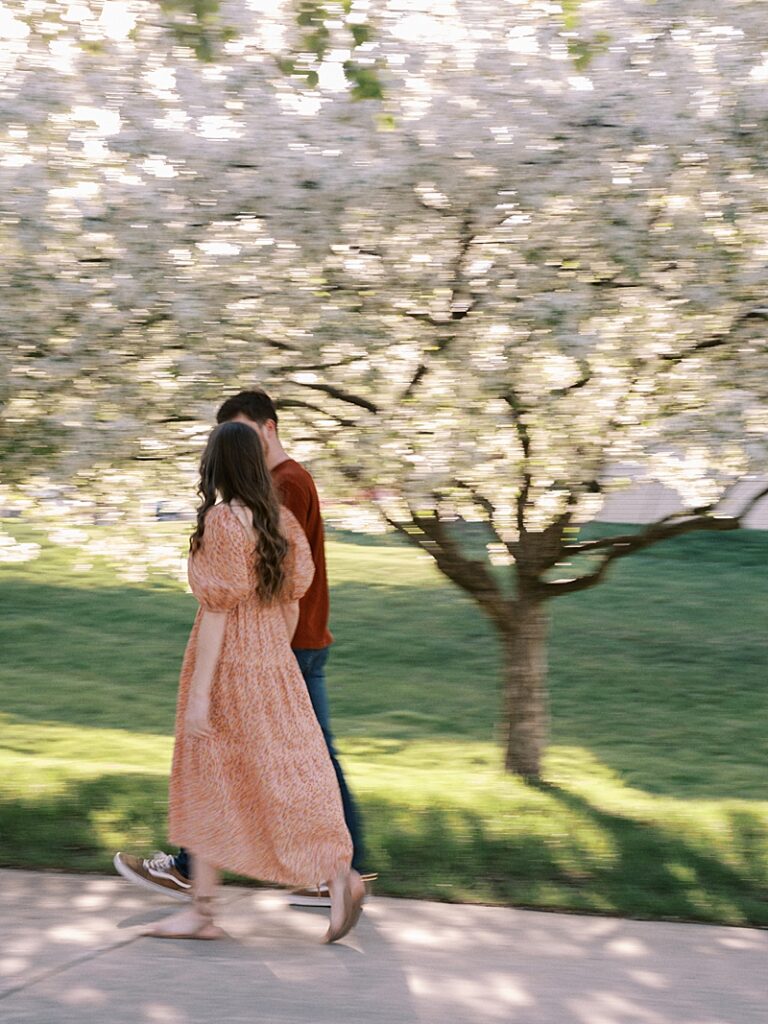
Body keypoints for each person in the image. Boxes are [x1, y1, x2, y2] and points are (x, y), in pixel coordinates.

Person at [115, 390, 371, 908]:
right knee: (300, 760)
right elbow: (293, 592)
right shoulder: (278, 516)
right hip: (279, 651)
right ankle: (329, 870)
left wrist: (202, 694)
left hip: (245, 657)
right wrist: (274, 648)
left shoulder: (240, 513)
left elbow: (217, 610)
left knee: (245, 763)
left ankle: (317, 871)